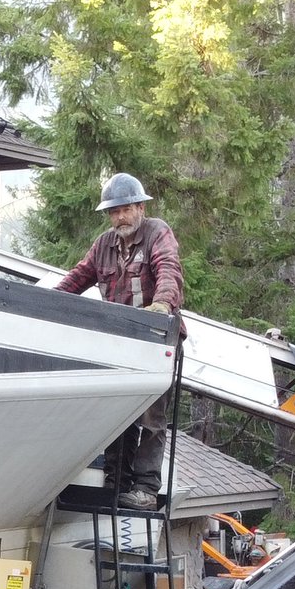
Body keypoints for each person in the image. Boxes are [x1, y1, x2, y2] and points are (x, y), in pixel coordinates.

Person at [57, 172, 183, 508]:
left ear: (140, 207)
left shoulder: (158, 233)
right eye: (113, 212)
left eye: (125, 209)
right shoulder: (104, 245)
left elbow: (168, 268)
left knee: (152, 420)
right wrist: (47, 303)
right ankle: (117, 485)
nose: (119, 217)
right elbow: (77, 278)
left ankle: (145, 489)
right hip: (121, 346)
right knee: (117, 415)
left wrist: (161, 304)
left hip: (157, 342)